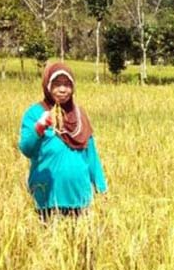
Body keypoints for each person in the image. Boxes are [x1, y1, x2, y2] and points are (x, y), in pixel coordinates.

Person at [18, 62, 107, 221]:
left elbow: (91, 155)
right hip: (47, 197)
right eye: (57, 84)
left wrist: (101, 187)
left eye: (67, 84)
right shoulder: (35, 113)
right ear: (47, 85)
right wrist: (39, 127)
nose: (62, 89)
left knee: (81, 244)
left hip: (80, 196)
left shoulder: (79, 115)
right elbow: (26, 148)